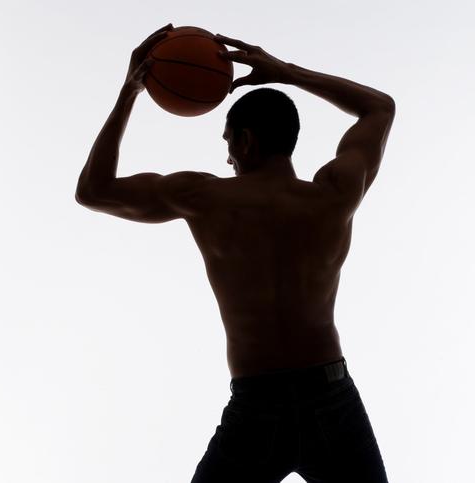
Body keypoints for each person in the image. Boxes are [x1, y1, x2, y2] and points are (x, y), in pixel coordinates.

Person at [75, 24, 395, 482]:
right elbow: (378, 107)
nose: (227, 158)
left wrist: (131, 91)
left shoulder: (204, 198)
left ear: (244, 141)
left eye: (227, 144)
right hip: (331, 399)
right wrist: (285, 72)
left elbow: (93, 190)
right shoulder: (334, 195)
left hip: (257, 405)